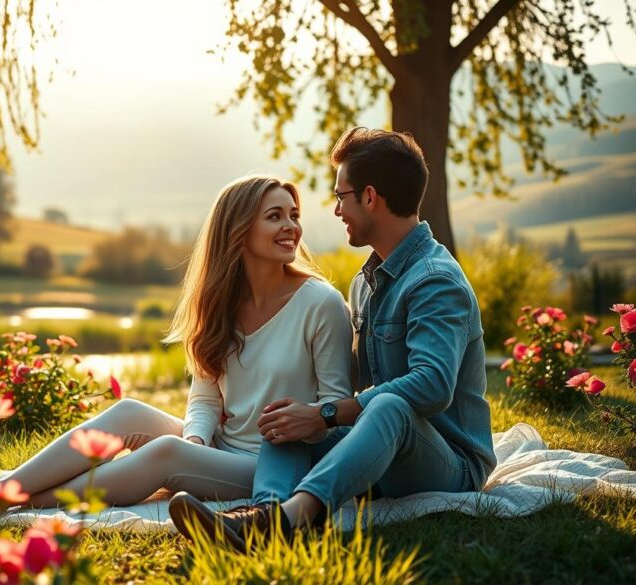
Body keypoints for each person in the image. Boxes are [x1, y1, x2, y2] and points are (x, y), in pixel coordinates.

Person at [0, 175, 354, 520]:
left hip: (273, 464)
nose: (291, 227)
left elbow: (334, 412)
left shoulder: (321, 303)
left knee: (165, 454)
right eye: (275, 216)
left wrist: (300, 421)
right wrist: (196, 440)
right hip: (219, 446)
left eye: (293, 215)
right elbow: (204, 398)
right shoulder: (221, 303)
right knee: (128, 412)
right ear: (238, 230)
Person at [168, 128, 497, 552]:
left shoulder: (435, 280)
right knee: (287, 421)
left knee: (388, 405)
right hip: (376, 448)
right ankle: (260, 516)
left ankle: (294, 517)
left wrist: (325, 413)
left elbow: (432, 385)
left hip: (448, 464)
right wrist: (304, 416)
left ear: (370, 197)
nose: (337, 209)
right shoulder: (367, 281)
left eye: (341, 196)